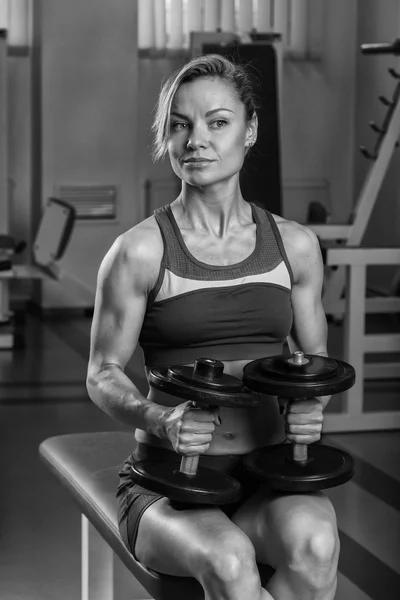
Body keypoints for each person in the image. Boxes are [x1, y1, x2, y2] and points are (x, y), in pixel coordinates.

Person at [86, 54, 339, 600]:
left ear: (249, 131)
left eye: (216, 122)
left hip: (272, 477)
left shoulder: (294, 246)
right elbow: (102, 373)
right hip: (168, 482)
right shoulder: (139, 250)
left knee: (316, 548)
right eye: (180, 124)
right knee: (228, 562)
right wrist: (160, 418)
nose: (195, 139)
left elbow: (317, 365)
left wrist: (311, 406)